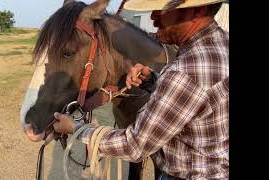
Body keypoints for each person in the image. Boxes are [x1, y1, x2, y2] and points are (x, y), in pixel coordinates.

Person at [53, 0, 229, 179]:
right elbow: (197, 99)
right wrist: (152, 81)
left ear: (197, 11)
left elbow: (135, 145)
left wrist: (76, 129)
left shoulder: (186, 72)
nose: (153, 17)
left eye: (162, 10)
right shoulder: (222, 44)